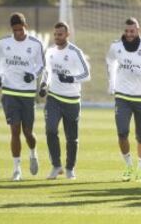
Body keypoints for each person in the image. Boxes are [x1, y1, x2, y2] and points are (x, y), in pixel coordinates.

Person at [106, 17, 141, 182]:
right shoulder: (116, 46)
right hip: (122, 96)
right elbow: (110, 61)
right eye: (127, 31)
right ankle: (128, 166)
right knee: (122, 133)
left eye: (132, 31)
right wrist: (111, 83)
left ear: (138, 30)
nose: (129, 34)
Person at [39, 22, 91, 180]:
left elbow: (86, 74)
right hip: (54, 98)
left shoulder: (75, 52)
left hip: (72, 101)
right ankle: (56, 166)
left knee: (71, 137)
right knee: (50, 130)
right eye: (55, 34)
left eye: (60, 34)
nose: (57, 37)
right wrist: (43, 85)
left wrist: (71, 78)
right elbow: (47, 71)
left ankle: (70, 168)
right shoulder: (50, 51)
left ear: (67, 35)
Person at [0, 12, 44, 181]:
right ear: (12, 29)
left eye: (21, 29)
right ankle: (17, 169)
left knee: (28, 132)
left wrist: (32, 75)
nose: (18, 33)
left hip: (27, 93)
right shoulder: (3, 43)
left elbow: (41, 66)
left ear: (26, 27)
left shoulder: (35, 44)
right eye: (15, 30)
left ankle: (33, 153)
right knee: (15, 130)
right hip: (10, 92)